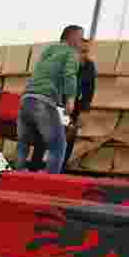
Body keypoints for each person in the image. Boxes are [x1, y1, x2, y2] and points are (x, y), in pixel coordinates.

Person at [16, 25, 84, 174]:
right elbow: (69, 75)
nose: (82, 43)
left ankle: (16, 177)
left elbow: (41, 73)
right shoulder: (71, 53)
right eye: (80, 39)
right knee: (58, 146)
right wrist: (70, 100)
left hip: (27, 98)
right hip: (43, 100)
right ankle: (49, 183)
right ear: (72, 38)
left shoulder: (49, 50)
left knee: (23, 144)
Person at [27, 37, 97, 171]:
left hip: (74, 105)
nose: (84, 55)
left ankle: (59, 170)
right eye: (81, 51)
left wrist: (83, 112)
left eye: (86, 52)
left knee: (68, 138)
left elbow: (89, 91)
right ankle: (35, 168)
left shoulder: (89, 66)